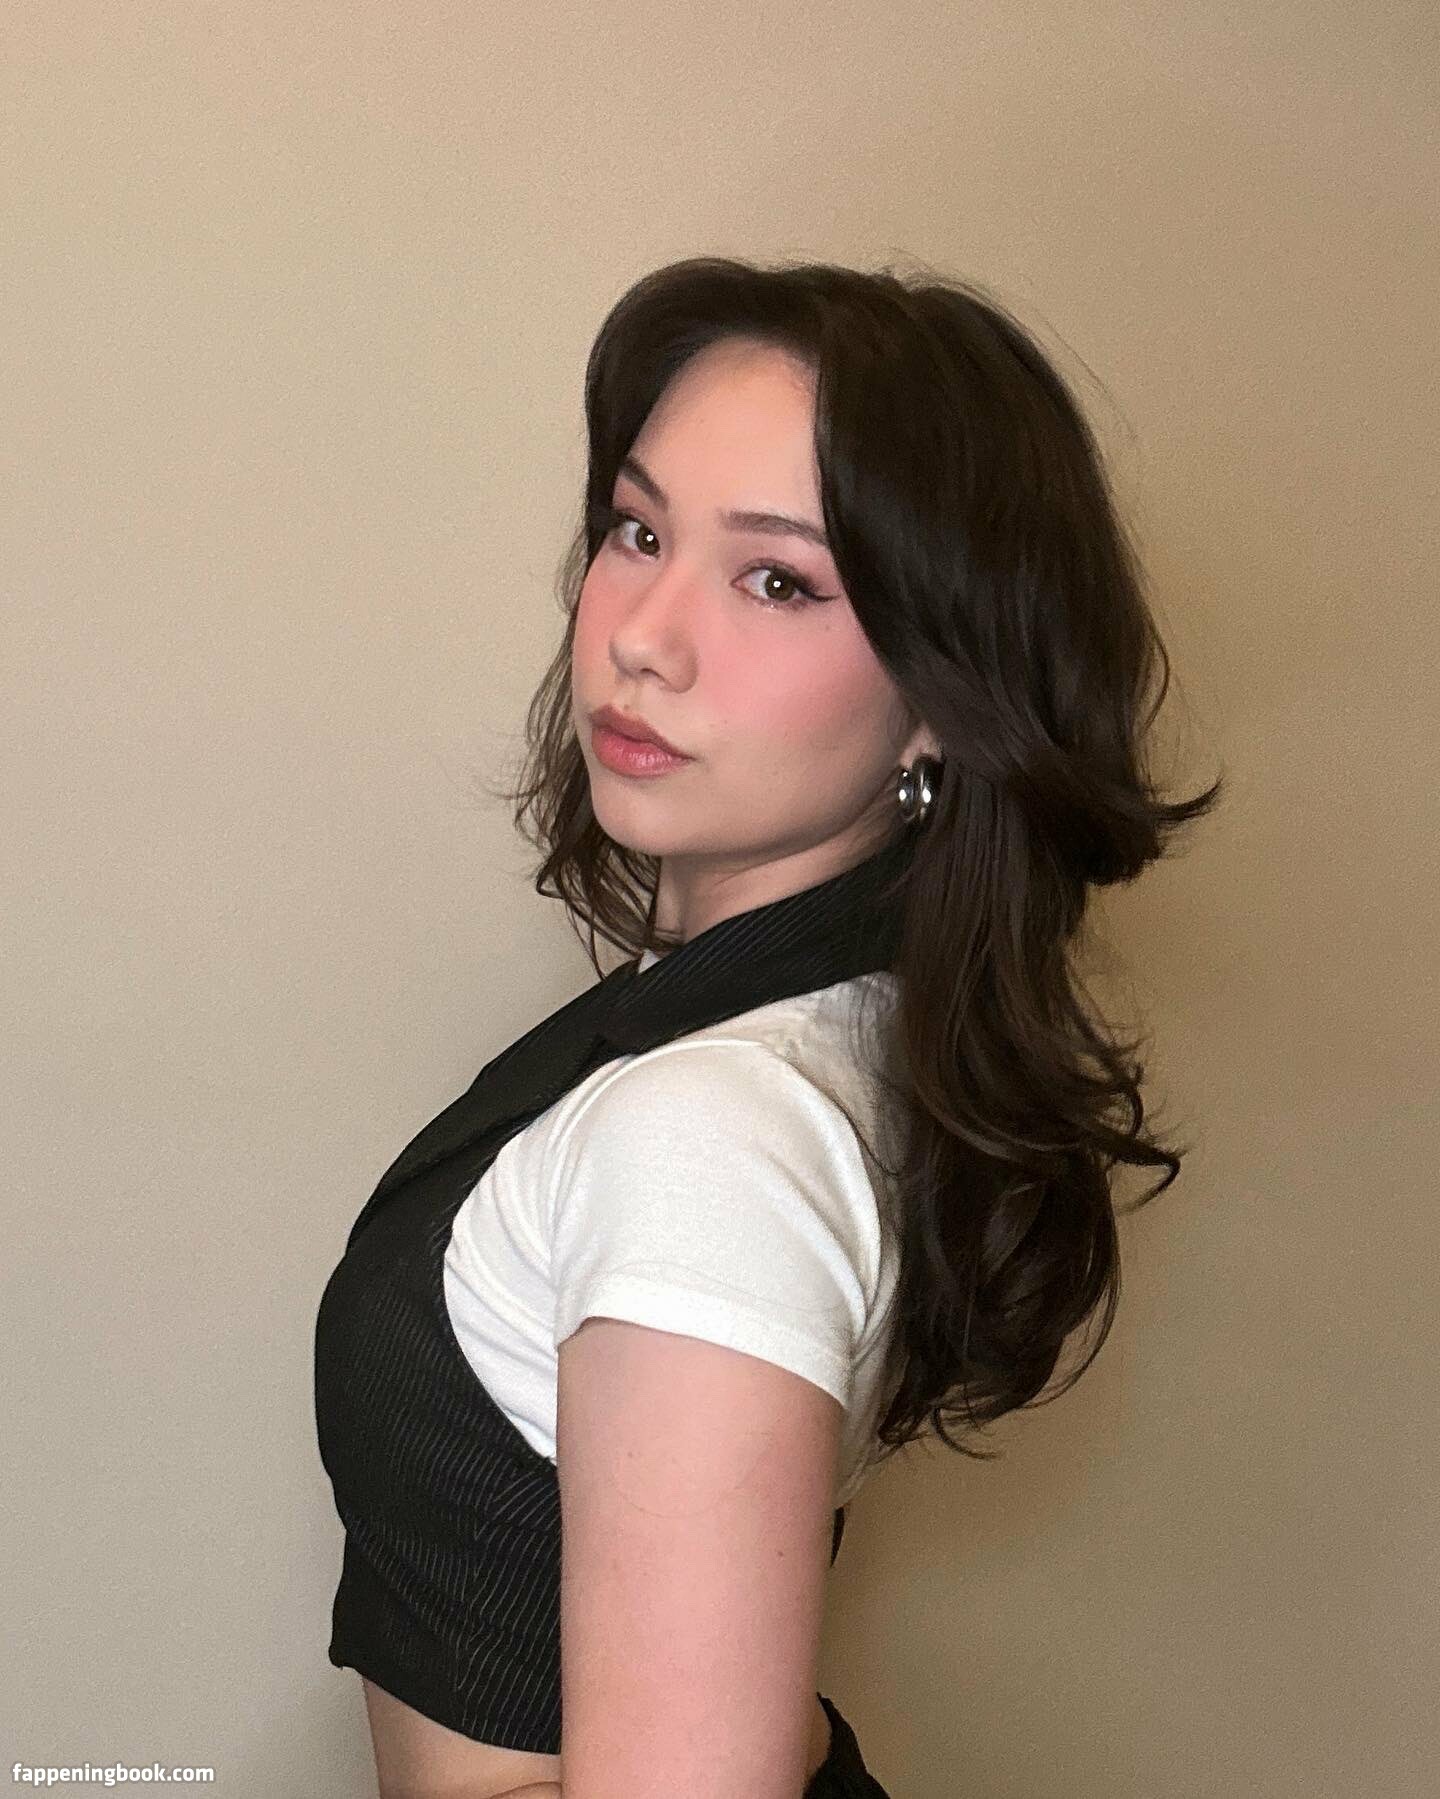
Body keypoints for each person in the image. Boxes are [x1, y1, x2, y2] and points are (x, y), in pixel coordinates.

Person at [313, 254, 1222, 1798]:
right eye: (638, 531)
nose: (644, 636)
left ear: (941, 693)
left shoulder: (711, 1136)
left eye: (780, 581)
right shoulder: (812, 1028)